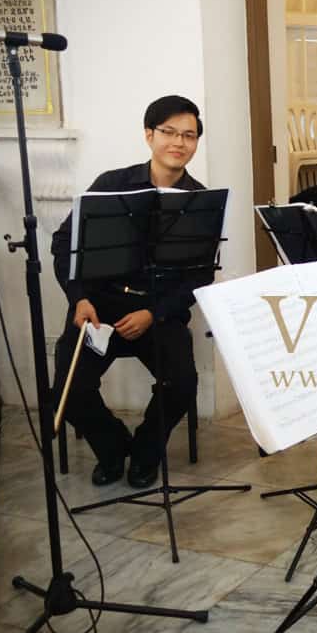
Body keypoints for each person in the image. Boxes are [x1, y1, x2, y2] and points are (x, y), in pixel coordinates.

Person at [50, 95, 211, 489]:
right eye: (169, 132)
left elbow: (200, 275)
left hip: (158, 312)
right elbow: (63, 244)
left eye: (189, 135)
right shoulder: (111, 185)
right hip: (100, 308)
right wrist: (80, 299)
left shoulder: (199, 200)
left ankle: (145, 450)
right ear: (149, 135)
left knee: (182, 384)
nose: (179, 142)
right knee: (67, 393)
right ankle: (112, 446)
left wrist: (153, 314)